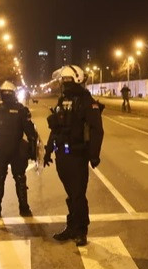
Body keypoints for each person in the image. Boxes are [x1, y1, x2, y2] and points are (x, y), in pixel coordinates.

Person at [43, 65, 104, 246]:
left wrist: (94, 154)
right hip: (62, 154)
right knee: (71, 194)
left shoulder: (87, 102)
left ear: (77, 80)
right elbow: (55, 128)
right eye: (63, 81)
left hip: (78, 154)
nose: (64, 84)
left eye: (68, 81)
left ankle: (81, 230)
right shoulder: (63, 100)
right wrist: (48, 150)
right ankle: (71, 226)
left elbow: (97, 130)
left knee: (78, 194)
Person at [0, 80, 38, 218]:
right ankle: (24, 208)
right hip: (17, 148)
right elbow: (31, 132)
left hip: (2, 149)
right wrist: (33, 149)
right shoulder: (21, 110)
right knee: (19, 179)